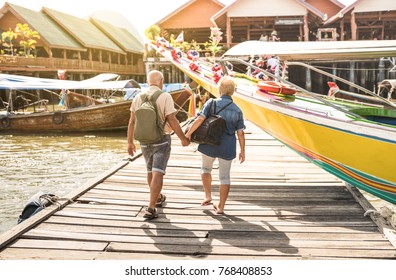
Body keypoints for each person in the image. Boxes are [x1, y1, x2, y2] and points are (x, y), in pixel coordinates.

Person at [127, 70, 189, 220]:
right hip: (161, 139)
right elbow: (172, 120)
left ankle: (158, 198)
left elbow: (132, 122)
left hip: (144, 141)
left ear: (148, 82)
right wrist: (183, 138)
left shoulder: (138, 97)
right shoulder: (165, 96)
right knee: (158, 172)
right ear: (161, 81)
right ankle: (151, 208)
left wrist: (130, 142)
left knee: (150, 171)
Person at [185, 76, 246, 214]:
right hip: (227, 146)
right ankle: (221, 207)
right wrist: (242, 151)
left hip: (209, 143)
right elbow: (240, 133)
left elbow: (200, 119)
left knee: (206, 169)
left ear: (219, 89)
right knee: (225, 177)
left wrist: (188, 135)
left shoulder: (211, 103)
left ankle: (208, 196)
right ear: (233, 91)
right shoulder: (237, 109)